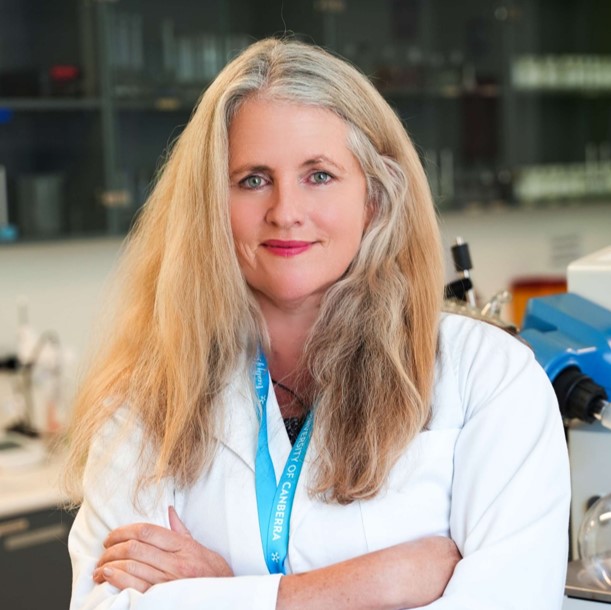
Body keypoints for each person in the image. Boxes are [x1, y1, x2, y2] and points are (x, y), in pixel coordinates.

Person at [65, 37, 570, 609]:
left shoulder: (488, 376)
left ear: (375, 198)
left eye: (320, 175)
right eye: (252, 179)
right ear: (211, 207)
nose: (285, 212)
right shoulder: (147, 398)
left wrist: (219, 594)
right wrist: (364, 586)